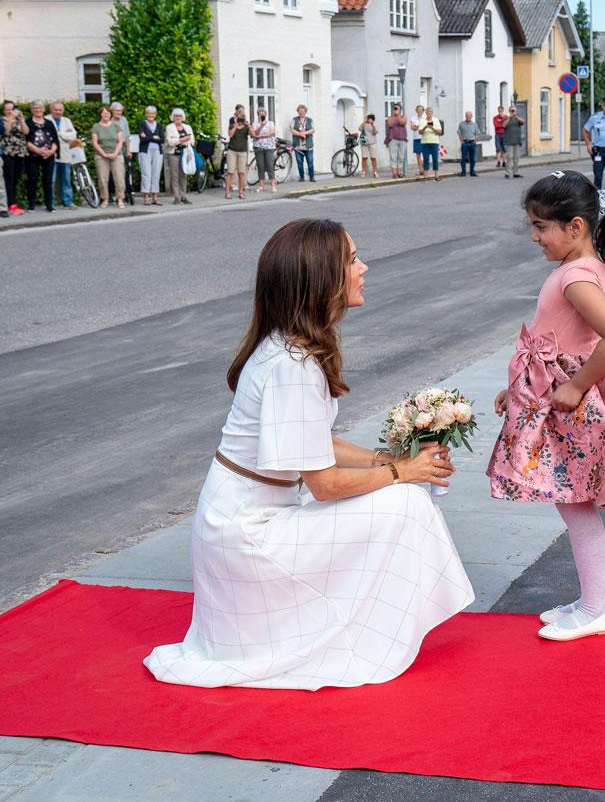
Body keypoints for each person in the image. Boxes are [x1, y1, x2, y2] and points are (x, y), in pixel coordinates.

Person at [144, 218, 474, 688]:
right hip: (249, 539)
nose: (364, 268)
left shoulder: (289, 348)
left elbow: (313, 442)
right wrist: (403, 472)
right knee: (404, 505)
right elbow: (325, 485)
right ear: (322, 279)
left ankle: (366, 623)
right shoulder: (292, 364)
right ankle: (365, 634)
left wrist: (388, 460)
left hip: (242, 524)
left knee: (400, 496)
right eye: (352, 259)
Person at [488, 171, 605, 641]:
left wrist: (577, 385)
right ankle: (589, 599)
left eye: (542, 226)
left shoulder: (576, 277)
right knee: (572, 501)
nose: (535, 236)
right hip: (558, 398)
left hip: (572, 410)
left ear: (576, 227)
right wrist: (518, 386)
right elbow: (551, 341)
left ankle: (598, 606)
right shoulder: (576, 268)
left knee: (576, 503)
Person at [24, 101, 58, 212]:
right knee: (32, 180)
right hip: (32, 156)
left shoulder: (49, 123)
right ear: (32, 110)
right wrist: (38, 151)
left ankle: (49, 205)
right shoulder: (27, 122)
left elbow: (55, 140)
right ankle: (31, 205)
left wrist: (51, 152)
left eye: (40, 108)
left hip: (48, 156)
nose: (38, 110)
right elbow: (26, 140)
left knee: (48, 181)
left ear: (44, 109)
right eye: (35, 108)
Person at [91, 106, 126, 208]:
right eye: (103, 113)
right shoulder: (96, 126)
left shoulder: (116, 126)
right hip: (101, 156)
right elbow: (95, 142)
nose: (105, 115)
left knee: (119, 178)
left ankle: (120, 199)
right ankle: (105, 199)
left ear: (111, 114)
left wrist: (115, 153)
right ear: (100, 114)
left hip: (117, 155)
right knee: (103, 178)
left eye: (107, 113)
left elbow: (120, 141)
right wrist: (103, 154)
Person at [2, 100, 28, 215]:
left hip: (20, 152)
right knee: (9, 179)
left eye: (11, 109)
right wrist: (11, 118)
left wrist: (21, 119)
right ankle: (11, 205)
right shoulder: (2, 120)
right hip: (8, 153)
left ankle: (12, 203)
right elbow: (6, 132)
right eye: (7, 109)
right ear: (4, 110)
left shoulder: (20, 119)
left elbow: (26, 132)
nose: (10, 111)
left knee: (16, 179)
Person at [49, 101, 77, 209]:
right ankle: (51, 202)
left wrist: (60, 134)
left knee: (66, 180)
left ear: (63, 110)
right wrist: (66, 135)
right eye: (55, 109)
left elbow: (73, 135)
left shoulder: (67, 121)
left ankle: (68, 202)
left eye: (60, 110)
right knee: (51, 180)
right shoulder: (47, 119)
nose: (58, 112)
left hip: (65, 154)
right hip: (51, 154)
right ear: (51, 110)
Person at [164, 108, 194, 205]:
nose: (178, 118)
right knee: (175, 175)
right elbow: (170, 142)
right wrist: (182, 139)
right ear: (173, 117)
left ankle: (183, 196)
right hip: (173, 153)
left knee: (183, 175)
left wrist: (179, 140)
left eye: (180, 116)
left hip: (185, 154)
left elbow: (192, 141)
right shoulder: (169, 127)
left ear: (183, 117)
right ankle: (176, 197)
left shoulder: (188, 127)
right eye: (176, 116)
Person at [138, 105, 165, 205]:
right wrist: (154, 137)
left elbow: (162, 139)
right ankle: (146, 197)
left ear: (155, 115)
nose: (151, 115)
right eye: (149, 113)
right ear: (145, 114)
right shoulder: (142, 124)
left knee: (156, 174)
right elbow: (142, 139)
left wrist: (148, 136)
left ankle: (155, 197)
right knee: (146, 173)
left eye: (153, 113)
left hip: (158, 151)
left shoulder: (159, 125)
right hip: (145, 151)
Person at [110, 102, 135, 205]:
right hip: (113, 147)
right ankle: (113, 194)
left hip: (124, 147)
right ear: (112, 111)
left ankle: (123, 194)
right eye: (117, 110)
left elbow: (127, 136)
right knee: (113, 172)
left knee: (124, 172)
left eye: (120, 111)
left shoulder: (124, 120)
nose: (119, 112)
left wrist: (128, 150)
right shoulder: (109, 121)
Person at [225, 105, 251, 199]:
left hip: (242, 150)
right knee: (230, 172)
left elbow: (253, 134)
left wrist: (248, 125)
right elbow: (231, 135)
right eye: (239, 112)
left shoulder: (245, 124)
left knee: (241, 172)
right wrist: (236, 125)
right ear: (236, 112)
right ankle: (228, 192)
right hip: (232, 150)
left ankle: (241, 192)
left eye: (242, 112)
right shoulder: (232, 121)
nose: (241, 114)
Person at [250, 108, 277, 194]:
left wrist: (261, 136)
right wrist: (261, 126)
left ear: (266, 114)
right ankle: (261, 186)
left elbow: (272, 133)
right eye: (260, 114)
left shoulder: (270, 123)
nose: (262, 115)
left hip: (269, 147)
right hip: (258, 147)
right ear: (258, 115)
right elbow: (254, 134)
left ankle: (273, 185)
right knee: (260, 166)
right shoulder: (255, 123)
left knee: (270, 165)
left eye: (263, 114)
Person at [290, 104, 316, 182]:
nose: (301, 113)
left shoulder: (310, 120)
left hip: (308, 145)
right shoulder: (294, 120)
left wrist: (305, 133)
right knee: (300, 162)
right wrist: (300, 134)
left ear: (305, 112)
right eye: (300, 111)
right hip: (298, 146)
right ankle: (302, 177)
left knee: (310, 162)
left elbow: (313, 130)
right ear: (298, 112)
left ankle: (311, 177)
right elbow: (292, 130)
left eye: (303, 111)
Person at [419, 107, 443, 180]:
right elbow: (420, 132)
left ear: (432, 113)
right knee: (426, 159)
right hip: (425, 142)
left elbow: (440, 132)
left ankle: (436, 176)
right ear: (426, 113)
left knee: (435, 159)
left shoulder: (435, 120)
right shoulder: (423, 121)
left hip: (434, 142)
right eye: (428, 112)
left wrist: (432, 128)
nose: (429, 113)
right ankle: (425, 176)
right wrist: (425, 127)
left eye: (430, 112)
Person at [384, 107, 408, 178]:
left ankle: (399, 172)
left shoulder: (403, 117)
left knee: (401, 157)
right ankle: (394, 173)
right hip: (393, 139)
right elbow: (390, 124)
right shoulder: (390, 118)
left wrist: (398, 115)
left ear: (400, 110)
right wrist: (394, 116)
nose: (395, 110)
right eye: (394, 109)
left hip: (402, 139)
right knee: (393, 157)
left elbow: (402, 123)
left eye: (397, 109)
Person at [503, 107, 525, 179]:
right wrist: (510, 117)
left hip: (517, 141)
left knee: (516, 158)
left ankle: (515, 173)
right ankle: (507, 173)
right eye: (512, 110)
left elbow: (523, 122)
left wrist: (516, 116)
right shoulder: (506, 118)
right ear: (509, 111)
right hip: (509, 141)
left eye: (514, 110)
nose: (513, 112)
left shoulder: (518, 119)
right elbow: (504, 125)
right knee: (509, 158)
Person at [357, 113, 379, 179]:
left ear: (373, 119)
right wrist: (364, 121)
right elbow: (360, 129)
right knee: (364, 157)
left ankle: (375, 172)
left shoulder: (374, 125)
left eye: (370, 119)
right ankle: (363, 171)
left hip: (372, 143)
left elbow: (374, 132)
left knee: (373, 158)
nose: (369, 120)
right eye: (368, 118)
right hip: (364, 143)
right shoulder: (364, 124)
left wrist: (372, 124)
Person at [457, 110, 479, 176]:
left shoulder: (474, 124)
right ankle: (463, 172)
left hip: (472, 142)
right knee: (463, 158)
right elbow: (459, 133)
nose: (468, 117)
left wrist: (475, 140)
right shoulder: (461, 124)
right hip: (465, 143)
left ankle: (472, 172)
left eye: (469, 116)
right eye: (467, 116)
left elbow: (477, 133)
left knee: (473, 158)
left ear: (471, 116)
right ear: (465, 116)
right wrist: (461, 141)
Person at [410, 104, 426, 176]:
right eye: (418, 110)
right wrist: (420, 126)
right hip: (416, 138)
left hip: (424, 138)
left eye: (421, 110)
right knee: (418, 155)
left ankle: (425, 169)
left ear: (423, 111)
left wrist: (417, 126)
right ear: (416, 111)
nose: (419, 111)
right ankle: (421, 170)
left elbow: (427, 127)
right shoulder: (413, 118)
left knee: (425, 154)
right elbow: (412, 128)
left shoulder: (425, 118)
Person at [492, 107, 508, 171]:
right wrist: (502, 124)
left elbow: (507, 125)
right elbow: (496, 126)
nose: (500, 111)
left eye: (501, 110)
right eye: (499, 110)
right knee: (498, 148)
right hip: (498, 134)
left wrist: (502, 123)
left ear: (503, 110)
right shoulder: (495, 118)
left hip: (504, 134)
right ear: (498, 110)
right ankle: (498, 162)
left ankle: (504, 162)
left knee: (504, 149)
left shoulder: (506, 117)